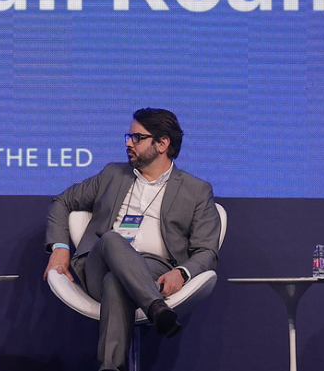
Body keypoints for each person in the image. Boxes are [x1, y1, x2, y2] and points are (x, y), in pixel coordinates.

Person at [45, 108, 221, 371]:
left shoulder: (196, 190)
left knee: (115, 281)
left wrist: (182, 273)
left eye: (137, 137)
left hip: (155, 270)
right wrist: (60, 248)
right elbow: (62, 201)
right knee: (112, 240)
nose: (129, 143)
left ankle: (110, 368)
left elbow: (207, 250)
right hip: (100, 263)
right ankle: (156, 308)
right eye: (128, 137)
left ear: (162, 144)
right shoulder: (112, 175)